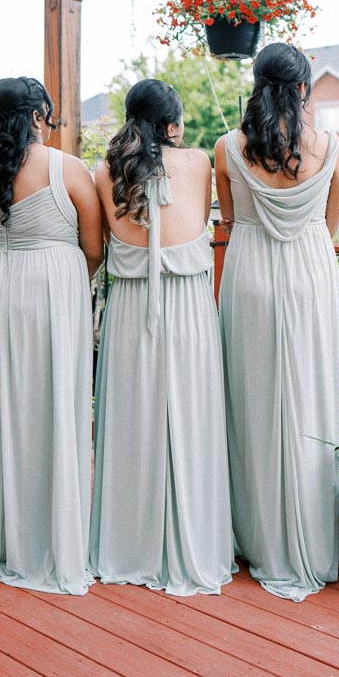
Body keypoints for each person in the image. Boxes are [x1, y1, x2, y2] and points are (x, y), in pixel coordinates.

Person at [0, 77, 103, 593]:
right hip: (46, 295)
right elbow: (93, 246)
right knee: (47, 409)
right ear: (40, 114)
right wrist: (60, 283)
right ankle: (41, 533)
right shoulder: (66, 167)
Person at [214, 43, 339, 601]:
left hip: (248, 277)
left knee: (253, 405)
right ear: (301, 88)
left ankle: (258, 536)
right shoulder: (330, 147)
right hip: (311, 274)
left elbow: (227, 218)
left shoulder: (228, 147)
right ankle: (314, 543)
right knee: (313, 399)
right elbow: (331, 218)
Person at [91, 79, 235, 595]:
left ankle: (129, 542)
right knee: (193, 417)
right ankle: (195, 535)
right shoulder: (197, 163)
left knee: (133, 419)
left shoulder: (103, 171)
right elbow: (201, 222)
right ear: (173, 125)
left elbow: (100, 240)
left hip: (132, 308)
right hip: (189, 301)